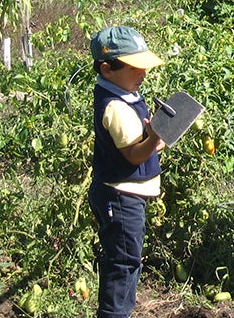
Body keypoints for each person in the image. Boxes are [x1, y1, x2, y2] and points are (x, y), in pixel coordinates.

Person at [88, 25, 165, 318]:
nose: (142, 73)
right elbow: (133, 155)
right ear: (107, 69)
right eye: (135, 68)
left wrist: (158, 138)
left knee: (128, 260)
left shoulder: (126, 93)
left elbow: (139, 145)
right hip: (119, 196)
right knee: (122, 263)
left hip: (125, 195)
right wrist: (155, 138)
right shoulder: (116, 107)